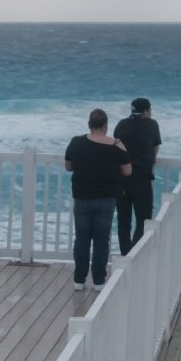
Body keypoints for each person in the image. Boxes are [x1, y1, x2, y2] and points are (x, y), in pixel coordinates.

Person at [65, 109, 131, 291]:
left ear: (89, 124)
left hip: (82, 196)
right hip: (106, 198)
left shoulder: (77, 142)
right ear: (105, 126)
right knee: (102, 239)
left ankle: (79, 279)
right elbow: (127, 171)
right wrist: (121, 147)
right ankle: (99, 281)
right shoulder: (115, 146)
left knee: (82, 238)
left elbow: (68, 166)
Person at [114, 97, 162, 255]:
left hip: (121, 179)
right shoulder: (152, 124)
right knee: (143, 220)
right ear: (147, 111)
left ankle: (125, 254)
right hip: (142, 177)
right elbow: (155, 148)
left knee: (123, 220)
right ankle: (135, 254)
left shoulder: (121, 124)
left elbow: (116, 147)